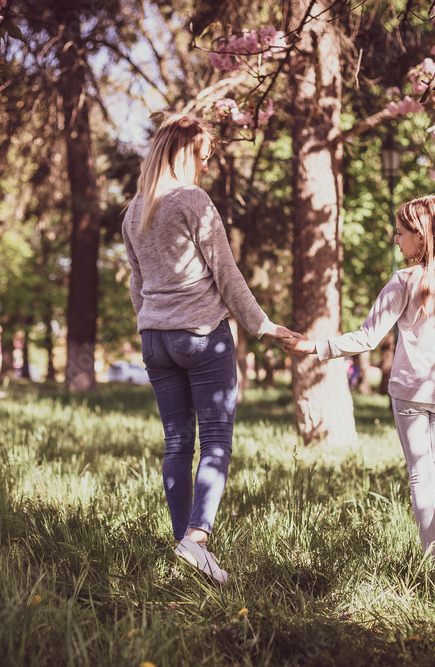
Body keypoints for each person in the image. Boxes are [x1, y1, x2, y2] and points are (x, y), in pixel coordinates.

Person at [285, 194, 435, 605]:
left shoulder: (405, 281)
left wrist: (313, 348)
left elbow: (366, 337)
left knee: (421, 478)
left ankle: (434, 571)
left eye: (400, 232)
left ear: (421, 235)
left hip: (412, 393)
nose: (396, 240)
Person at [121, 113, 299, 586]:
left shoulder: (134, 211)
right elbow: (225, 273)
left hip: (156, 339)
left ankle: (187, 548)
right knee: (216, 441)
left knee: (177, 442)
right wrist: (264, 327)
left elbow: (137, 285)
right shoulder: (192, 201)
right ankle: (196, 539)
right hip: (201, 335)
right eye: (202, 155)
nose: (206, 162)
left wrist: (150, 323)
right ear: (184, 152)